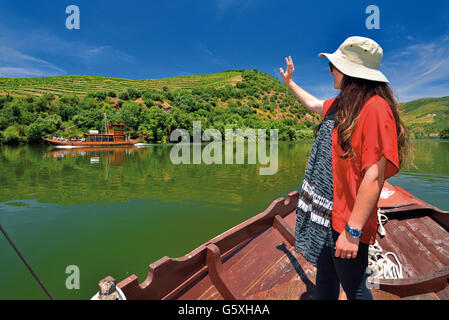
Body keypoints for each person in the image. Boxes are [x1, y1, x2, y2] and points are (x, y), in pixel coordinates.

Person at [279, 36, 412, 300]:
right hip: (329, 213)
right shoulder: (343, 105)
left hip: (349, 219)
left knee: (356, 289)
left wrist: (352, 233)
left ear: (350, 71)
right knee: (326, 277)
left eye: (333, 66)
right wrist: (291, 84)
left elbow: (374, 176)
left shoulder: (375, 109)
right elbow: (315, 104)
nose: (330, 71)